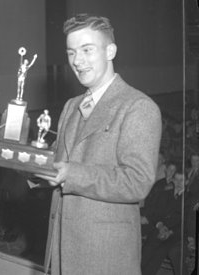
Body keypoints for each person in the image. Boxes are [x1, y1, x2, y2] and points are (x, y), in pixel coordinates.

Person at [35, 14, 162, 275]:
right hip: (61, 253)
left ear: (110, 51)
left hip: (105, 258)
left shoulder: (138, 107)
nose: (77, 61)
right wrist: (25, 161)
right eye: (71, 53)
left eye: (87, 50)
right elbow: (57, 161)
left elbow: (137, 181)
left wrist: (70, 174)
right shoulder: (71, 106)